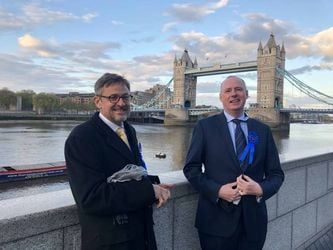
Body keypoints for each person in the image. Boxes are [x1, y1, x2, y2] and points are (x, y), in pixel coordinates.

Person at [65, 73, 171, 250]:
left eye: (125, 97)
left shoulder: (129, 130)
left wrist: (154, 185)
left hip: (141, 236)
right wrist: (147, 190)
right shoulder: (81, 138)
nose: (121, 103)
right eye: (113, 97)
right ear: (98, 101)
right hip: (110, 242)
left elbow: (130, 172)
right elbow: (91, 198)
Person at [183, 76, 284, 250]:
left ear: (246, 94)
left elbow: (276, 174)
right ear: (221, 97)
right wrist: (218, 191)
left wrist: (260, 189)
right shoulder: (204, 127)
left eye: (238, 89)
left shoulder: (263, 130)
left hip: (253, 223)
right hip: (215, 221)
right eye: (228, 91)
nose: (233, 94)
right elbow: (191, 169)